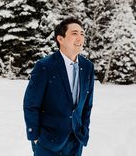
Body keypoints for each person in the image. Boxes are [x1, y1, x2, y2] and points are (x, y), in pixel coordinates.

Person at [23, 17, 94, 156]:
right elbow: (31, 104)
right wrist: (35, 137)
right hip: (48, 142)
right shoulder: (45, 66)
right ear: (60, 39)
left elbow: (87, 105)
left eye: (82, 33)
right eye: (74, 33)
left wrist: (84, 130)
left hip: (76, 141)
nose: (80, 37)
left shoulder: (88, 67)